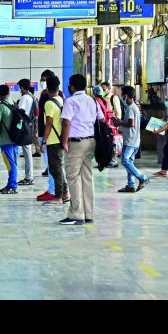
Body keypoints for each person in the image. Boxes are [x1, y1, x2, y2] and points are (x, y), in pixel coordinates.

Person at [59, 74, 103, 225]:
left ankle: (76, 214)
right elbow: (101, 119)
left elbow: (66, 123)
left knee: (73, 177)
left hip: (76, 144)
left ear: (72, 86)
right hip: (91, 142)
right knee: (87, 178)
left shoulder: (70, 101)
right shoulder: (92, 100)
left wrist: (64, 142)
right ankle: (88, 213)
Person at [111, 86, 149, 192]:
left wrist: (119, 122)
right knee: (130, 163)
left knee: (125, 161)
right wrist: (121, 122)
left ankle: (142, 177)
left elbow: (130, 124)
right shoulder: (134, 107)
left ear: (126, 96)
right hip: (135, 139)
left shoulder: (131, 108)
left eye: (122, 95)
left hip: (130, 140)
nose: (122, 97)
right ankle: (131, 185)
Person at [39, 76, 69, 205]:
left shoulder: (49, 103)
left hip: (53, 140)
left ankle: (58, 196)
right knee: (58, 168)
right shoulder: (61, 100)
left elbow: (49, 123)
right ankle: (65, 192)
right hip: (61, 139)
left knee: (55, 169)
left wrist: (43, 141)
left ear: (47, 88)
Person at [0, 84, 18, 194]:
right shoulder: (13, 104)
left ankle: (12, 186)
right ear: (9, 93)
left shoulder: (0, 107)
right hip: (15, 139)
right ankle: (10, 184)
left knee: (10, 164)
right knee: (14, 162)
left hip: (5, 140)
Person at [92, 85, 119, 168]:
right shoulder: (104, 101)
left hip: (99, 125)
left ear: (94, 93)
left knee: (100, 144)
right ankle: (107, 161)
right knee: (108, 143)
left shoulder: (96, 101)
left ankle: (102, 161)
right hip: (108, 125)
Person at [16, 78, 35, 186]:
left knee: (27, 152)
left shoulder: (24, 98)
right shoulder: (31, 97)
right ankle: (29, 176)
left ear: (22, 88)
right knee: (27, 151)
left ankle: (29, 177)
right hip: (29, 126)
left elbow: (21, 112)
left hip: (24, 127)